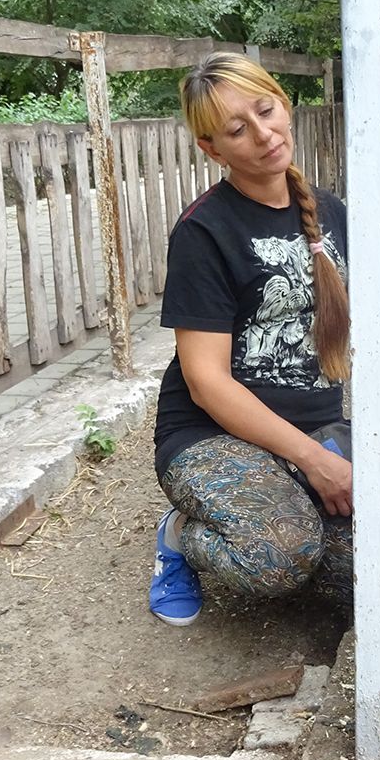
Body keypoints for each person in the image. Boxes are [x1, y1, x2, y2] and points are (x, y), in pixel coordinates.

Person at [148, 52, 352, 626]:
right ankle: (181, 535)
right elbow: (206, 382)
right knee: (278, 557)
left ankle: (288, 516)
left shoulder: (331, 211)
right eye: (238, 130)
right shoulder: (204, 231)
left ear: (284, 105)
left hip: (313, 428)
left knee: (369, 573)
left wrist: (324, 452)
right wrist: (316, 461)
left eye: (267, 111)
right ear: (212, 150)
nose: (263, 135)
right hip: (211, 434)